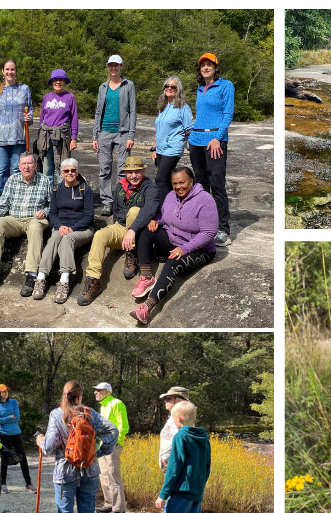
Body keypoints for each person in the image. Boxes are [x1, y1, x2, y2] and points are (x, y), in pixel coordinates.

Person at [37, 380, 119, 513]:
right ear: (80, 397)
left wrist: (39, 440)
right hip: (89, 471)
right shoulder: (89, 413)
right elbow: (113, 431)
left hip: (65, 473)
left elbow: (48, 447)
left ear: (64, 395)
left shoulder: (57, 414)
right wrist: (99, 453)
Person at [126, 167, 218, 325]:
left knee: (173, 261)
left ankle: (146, 308)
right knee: (146, 230)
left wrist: (184, 249)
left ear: (191, 181)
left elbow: (209, 233)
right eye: (174, 183)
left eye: (182, 182)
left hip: (198, 249)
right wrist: (156, 220)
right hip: (173, 240)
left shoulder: (205, 200)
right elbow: (164, 216)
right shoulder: (170, 196)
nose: (178, 187)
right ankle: (147, 276)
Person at [77, 156, 157, 306]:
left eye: (137, 171)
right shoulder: (121, 186)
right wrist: (121, 230)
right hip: (121, 227)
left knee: (134, 211)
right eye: (130, 172)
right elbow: (116, 211)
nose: (133, 175)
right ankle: (93, 281)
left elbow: (150, 210)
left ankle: (132, 253)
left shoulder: (150, 188)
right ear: (125, 173)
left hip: (139, 232)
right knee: (100, 235)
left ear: (143, 171)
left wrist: (132, 231)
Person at [0, 152, 51, 295]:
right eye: (23, 164)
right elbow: (3, 203)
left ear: (35, 165)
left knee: (34, 227)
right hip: (14, 219)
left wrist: (44, 212)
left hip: (34, 219)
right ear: (19, 166)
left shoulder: (44, 180)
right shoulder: (12, 179)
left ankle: (31, 276)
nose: (26, 167)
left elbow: (51, 204)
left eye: (29, 163)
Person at [188, 53, 235, 247]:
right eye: (202, 65)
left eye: (209, 65)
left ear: (216, 67)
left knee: (217, 184)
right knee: (200, 185)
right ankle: (204, 225)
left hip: (214, 140)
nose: (206, 68)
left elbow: (228, 113)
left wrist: (218, 138)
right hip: (196, 140)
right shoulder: (200, 89)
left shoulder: (226, 85)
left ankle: (223, 229)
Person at [34, 157, 95, 304]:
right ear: (61, 173)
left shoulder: (85, 189)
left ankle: (64, 280)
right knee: (53, 239)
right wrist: (60, 226)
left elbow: (89, 216)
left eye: (73, 170)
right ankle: (41, 277)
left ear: (77, 171)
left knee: (67, 240)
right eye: (66, 170)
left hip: (81, 228)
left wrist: (72, 228)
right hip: (61, 227)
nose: (70, 173)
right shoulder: (56, 189)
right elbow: (53, 213)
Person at [93, 54, 137, 218]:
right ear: (108, 67)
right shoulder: (103, 87)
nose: (113, 68)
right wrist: (95, 136)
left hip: (123, 132)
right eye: (111, 65)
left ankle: (120, 202)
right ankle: (107, 203)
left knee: (122, 170)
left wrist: (131, 135)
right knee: (104, 169)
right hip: (104, 132)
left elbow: (132, 111)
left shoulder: (128, 85)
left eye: (116, 65)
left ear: (121, 66)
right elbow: (98, 111)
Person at [0, 59, 33, 198]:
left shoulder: (24, 88)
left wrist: (29, 117)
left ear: (16, 71)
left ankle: (18, 197)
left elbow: (29, 109)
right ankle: (3, 197)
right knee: (3, 170)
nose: (10, 72)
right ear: (3, 71)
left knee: (17, 169)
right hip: (0, 136)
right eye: (7, 69)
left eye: (12, 69)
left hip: (18, 135)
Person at [149, 75, 194, 203]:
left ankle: (164, 212)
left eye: (173, 86)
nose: (169, 88)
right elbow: (159, 130)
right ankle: (175, 208)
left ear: (178, 89)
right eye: (167, 86)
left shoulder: (183, 107)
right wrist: (154, 148)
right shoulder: (162, 107)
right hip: (160, 150)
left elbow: (189, 129)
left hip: (173, 149)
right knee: (168, 182)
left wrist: (193, 150)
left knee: (160, 180)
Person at [93, 382, 129, 513]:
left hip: (113, 445)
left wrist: (115, 442)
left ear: (107, 392)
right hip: (103, 445)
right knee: (104, 474)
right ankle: (109, 504)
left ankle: (119, 510)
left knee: (113, 475)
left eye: (98, 390)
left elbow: (123, 426)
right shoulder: (104, 406)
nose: (95, 392)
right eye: (95, 390)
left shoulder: (117, 403)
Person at [36, 69, 79, 180]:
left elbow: (74, 118)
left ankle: (62, 193)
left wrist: (73, 138)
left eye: (60, 80)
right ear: (52, 82)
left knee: (63, 166)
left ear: (64, 82)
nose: (58, 82)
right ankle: (48, 195)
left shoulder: (70, 97)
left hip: (62, 136)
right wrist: (39, 136)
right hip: (46, 136)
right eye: (55, 80)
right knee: (47, 167)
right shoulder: (46, 97)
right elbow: (42, 117)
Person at [0, 384, 35, 493]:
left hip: (17, 433)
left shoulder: (14, 402)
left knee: (23, 458)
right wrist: (9, 417)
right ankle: (3, 484)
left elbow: (17, 417)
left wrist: (5, 419)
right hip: (4, 434)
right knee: (5, 459)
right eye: (3, 391)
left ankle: (28, 484)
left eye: (6, 391)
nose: (6, 393)